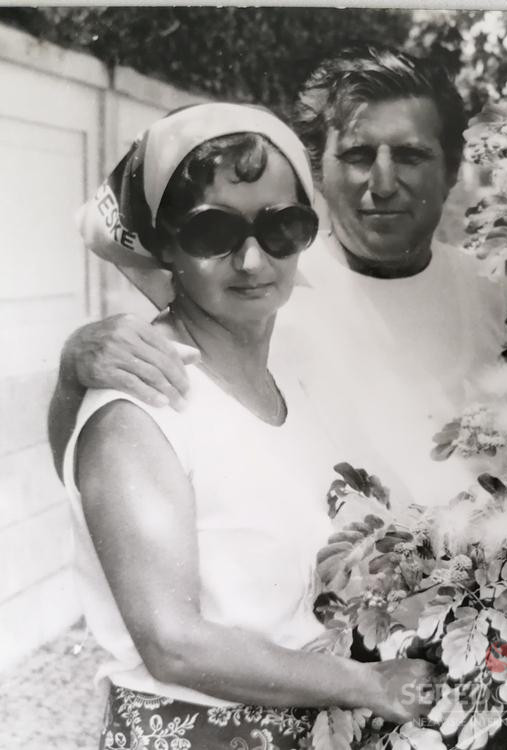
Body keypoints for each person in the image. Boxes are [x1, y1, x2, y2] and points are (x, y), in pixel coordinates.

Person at [63, 103, 434, 749]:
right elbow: (173, 643)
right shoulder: (140, 408)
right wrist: (366, 684)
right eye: (214, 232)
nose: (254, 260)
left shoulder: (293, 383)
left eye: (282, 225)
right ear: (164, 243)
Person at [48, 45, 507, 509]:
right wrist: (73, 371)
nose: (384, 183)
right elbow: (111, 459)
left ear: (451, 171)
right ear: (318, 172)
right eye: (357, 155)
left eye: (410, 155)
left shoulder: (506, 294)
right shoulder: (253, 289)